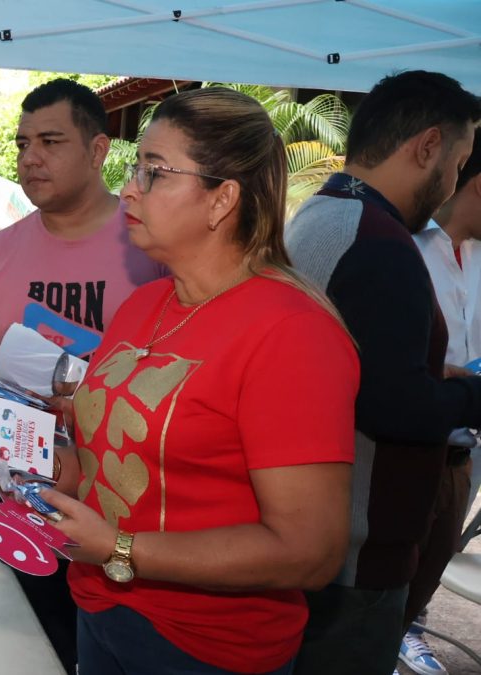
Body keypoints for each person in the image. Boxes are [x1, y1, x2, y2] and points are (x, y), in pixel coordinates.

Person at [35, 86, 359, 675]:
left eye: (155, 172)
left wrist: (121, 550)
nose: (130, 188)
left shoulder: (291, 333)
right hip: (100, 611)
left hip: (205, 647)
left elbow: (308, 551)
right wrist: (53, 476)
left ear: (221, 200)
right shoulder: (146, 303)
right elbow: (109, 456)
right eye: (135, 168)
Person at [0, 78, 163, 674]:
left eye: (51, 141)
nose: (31, 157)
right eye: (23, 142)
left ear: (100, 150)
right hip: (27, 513)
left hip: (138, 528)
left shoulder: (154, 248)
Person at [284, 70, 481, 675]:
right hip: (355, 545)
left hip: (309, 523)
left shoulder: (322, 214)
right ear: (427, 147)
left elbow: (354, 368)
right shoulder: (381, 243)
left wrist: (428, 376)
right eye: (458, 161)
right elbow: (394, 407)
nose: (452, 181)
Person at [398, 133, 481, 675]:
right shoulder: (402, 246)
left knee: (432, 559)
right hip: (406, 447)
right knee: (390, 568)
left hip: (461, 451)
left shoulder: (477, 256)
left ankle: (405, 629)